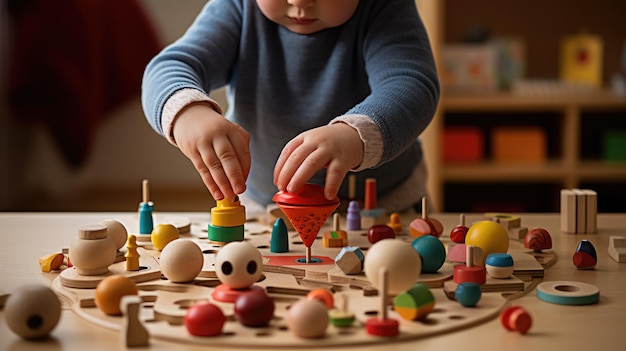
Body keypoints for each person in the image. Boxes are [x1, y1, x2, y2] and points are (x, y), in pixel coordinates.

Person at [142, 0, 439, 214]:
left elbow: (412, 86)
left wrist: (355, 135)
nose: (299, 2)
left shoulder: (385, 7)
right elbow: (171, 66)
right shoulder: (237, 7)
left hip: (385, 209)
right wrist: (188, 113)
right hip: (266, 209)